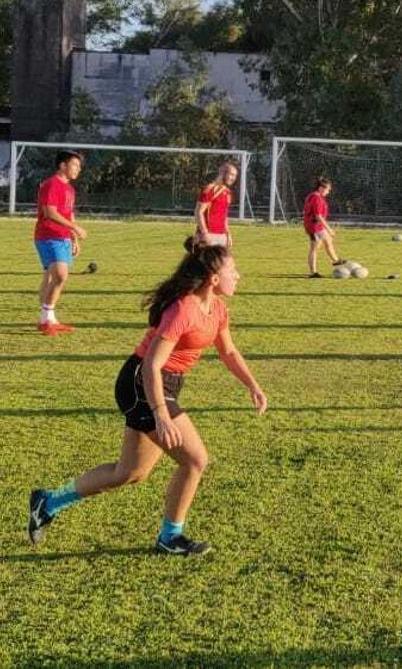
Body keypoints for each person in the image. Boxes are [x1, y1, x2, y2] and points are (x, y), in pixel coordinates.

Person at [26, 242, 267, 556]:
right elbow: (152, 365)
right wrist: (161, 414)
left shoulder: (218, 309)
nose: (238, 275)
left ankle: (48, 501)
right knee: (195, 460)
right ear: (213, 278)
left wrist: (252, 385)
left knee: (129, 473)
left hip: (163, 385)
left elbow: (229, 351)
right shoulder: (183, 308)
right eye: (232, 270)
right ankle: (171, 537)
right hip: (142, 383)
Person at [35, 150, 88, 336]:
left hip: (63, 237)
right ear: (63, 165)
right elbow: (50, 212)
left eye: (79, 167)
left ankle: (48, 319)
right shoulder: (51, 185)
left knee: (52, 277)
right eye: (75, 165)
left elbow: (68, 213)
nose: (78, 169)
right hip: (49, 236)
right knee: (60, 275)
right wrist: (76, 227)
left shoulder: (70, 189)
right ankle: (46, 317)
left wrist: (73, 237)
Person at [302, 176, 345, 278]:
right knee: (314, 248)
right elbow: (318, 216)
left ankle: (336, 261)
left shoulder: (315, 196)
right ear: (321, 188)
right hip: (314, 227)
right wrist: (329, 229)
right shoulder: (316, 198)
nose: (328, 192)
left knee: (328, 240)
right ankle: (313, 272)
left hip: (318, 226)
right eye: (327, 190)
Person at [194, 161, 239, 248]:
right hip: (208, 235)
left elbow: (224, 215)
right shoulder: (210, 190)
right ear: (222, 173)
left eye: (235, 176)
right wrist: (204, 233)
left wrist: (228, 234)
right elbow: (198, 212)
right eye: (231, 174)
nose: (233, 178)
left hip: (221, 236)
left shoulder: (227, 193)